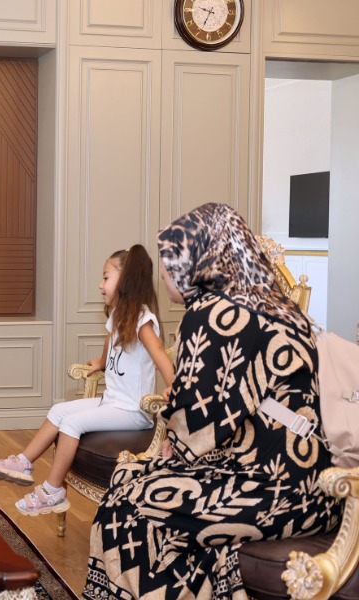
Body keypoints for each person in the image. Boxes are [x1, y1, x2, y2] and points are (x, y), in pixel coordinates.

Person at [83, 203, 340, 599]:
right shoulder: (272, 303)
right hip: (318, 488)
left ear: (199, 261)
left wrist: (179, 417)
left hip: (273, 488)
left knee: (126, 502)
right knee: (142, 480)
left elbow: (190, 436)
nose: (164, 273)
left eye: (171, 261)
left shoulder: (208, 313)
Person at [0, 244, 174, 516]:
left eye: (106, 277)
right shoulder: (119, 314)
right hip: (112, 402)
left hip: (133, 411)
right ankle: (24, 462)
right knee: (58, 411)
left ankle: (53, 490)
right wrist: (102, 361)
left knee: (72, 424)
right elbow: (111, 341)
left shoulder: (142, 319)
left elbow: (159, 354)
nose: (100, 285)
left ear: (125, 279)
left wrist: (174, 385)